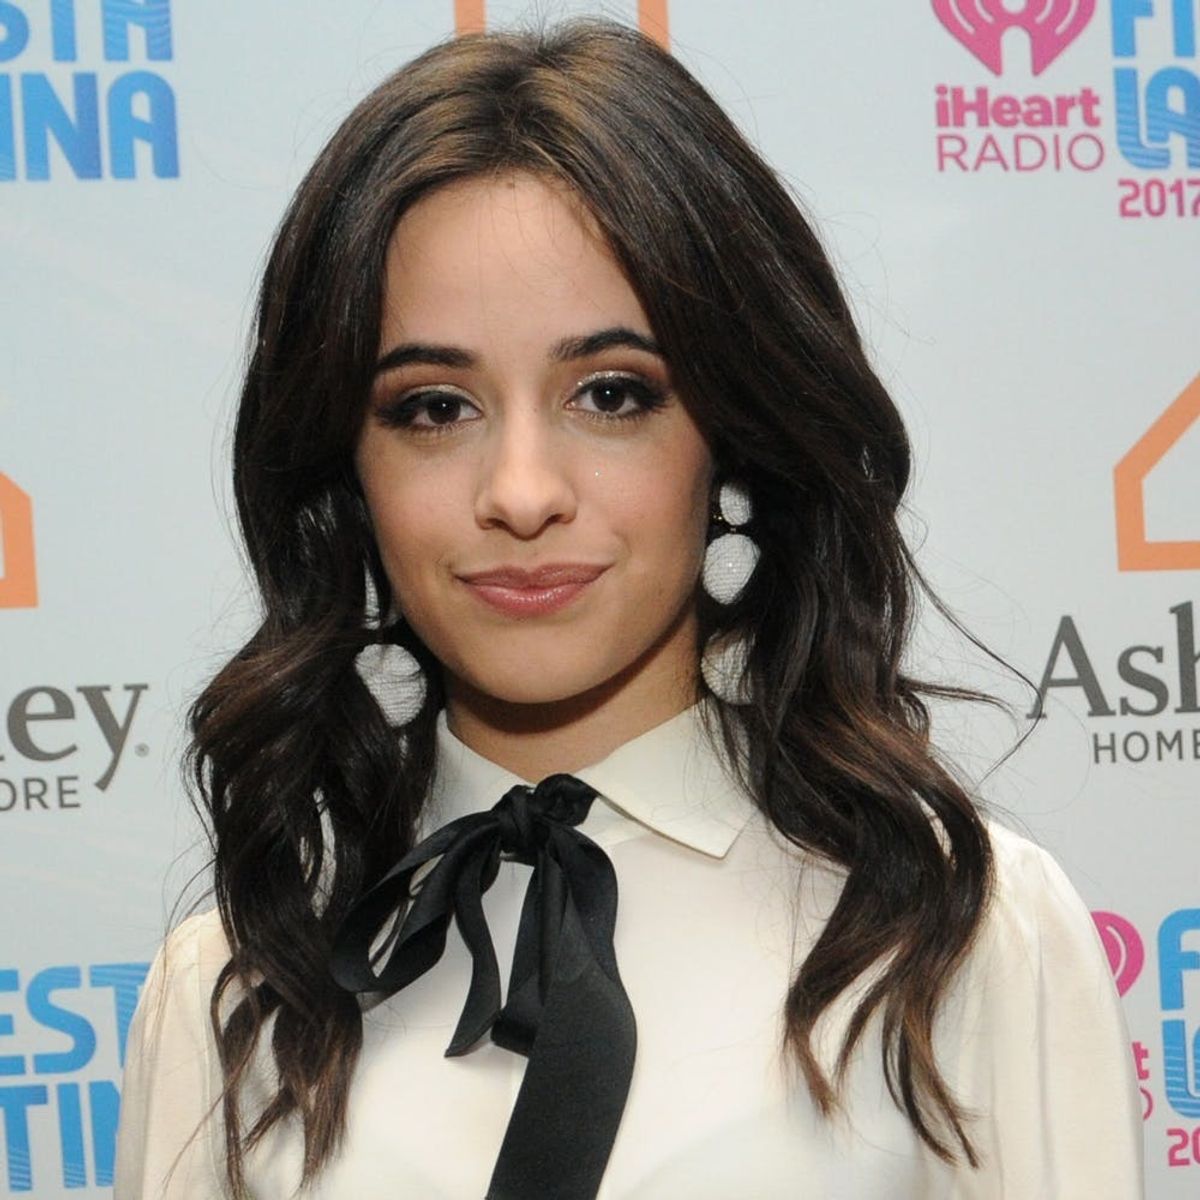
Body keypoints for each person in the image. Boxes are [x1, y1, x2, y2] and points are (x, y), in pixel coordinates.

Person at [113, 17, 1143, 1200]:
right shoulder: (228, 992)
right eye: (434, 407)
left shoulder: (964, 936)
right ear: (348, 470)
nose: (521, 493)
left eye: (611, 394)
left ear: (731, 434)